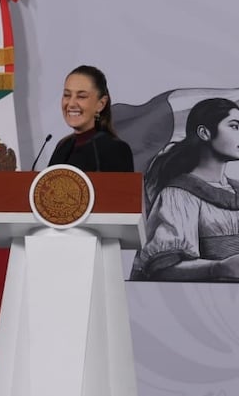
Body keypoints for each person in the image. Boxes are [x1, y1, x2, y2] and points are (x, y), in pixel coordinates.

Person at [133, 97, 239, 281]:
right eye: (235, 126)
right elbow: (161, 268)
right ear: (204, 133)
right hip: (203, 302)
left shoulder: (234, 190)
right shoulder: (178, 195)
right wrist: (219, 268)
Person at [47, 64, 134, 172]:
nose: (71, 103)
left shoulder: (115, 149)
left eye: (81, 96)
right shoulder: (62, 146)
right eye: (67, 95)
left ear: (101, 104)